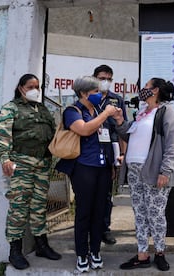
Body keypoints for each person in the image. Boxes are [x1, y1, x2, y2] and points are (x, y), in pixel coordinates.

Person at [0, 74, 62, 270]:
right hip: (21, 164)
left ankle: (41, 245)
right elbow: (1, 135)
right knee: (19, 206)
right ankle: (15, 250)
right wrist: (4, 157)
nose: (35, 90)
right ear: (21, 87)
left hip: (42, 164)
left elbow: (53, 133)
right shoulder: (10, 108)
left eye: (37, 87)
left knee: (39, 205)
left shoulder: (43, 109)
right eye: (31, 86)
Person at [54, 76, 121, 273]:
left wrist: (112, 164)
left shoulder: (99, 111)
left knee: (100, 212)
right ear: (84, 94)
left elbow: (108, 136)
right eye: (96, 93)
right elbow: (83, 130)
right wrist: (105, 114)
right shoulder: (73, 111)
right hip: (83, 168)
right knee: (84, 211)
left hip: (103, 168)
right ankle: (82, 254)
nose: (100, 95)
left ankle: (95, 251)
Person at [113, 78, 174, 271]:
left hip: (153, 170)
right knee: (140, 213)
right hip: (134, 170)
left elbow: (172, 143)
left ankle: (160, 252)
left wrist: (165, 170)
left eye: (146, 87)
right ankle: (142, 254)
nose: (142, 90)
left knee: (156, 214)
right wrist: (119, 121)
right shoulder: (143, 112)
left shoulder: (166, 111)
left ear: (155, 90)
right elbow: (130, 133)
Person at [92, 64, 128, 245]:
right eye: (101, 78)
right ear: (94, 78)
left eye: (108, 78)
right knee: (89, 194)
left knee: (107, 195)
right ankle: (89, 230)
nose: (105, 81)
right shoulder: (88, 97)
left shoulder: (117, 100)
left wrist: (122, 154)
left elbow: (123, 129)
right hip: (89, 151)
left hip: (109, 152)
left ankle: (104, 229)